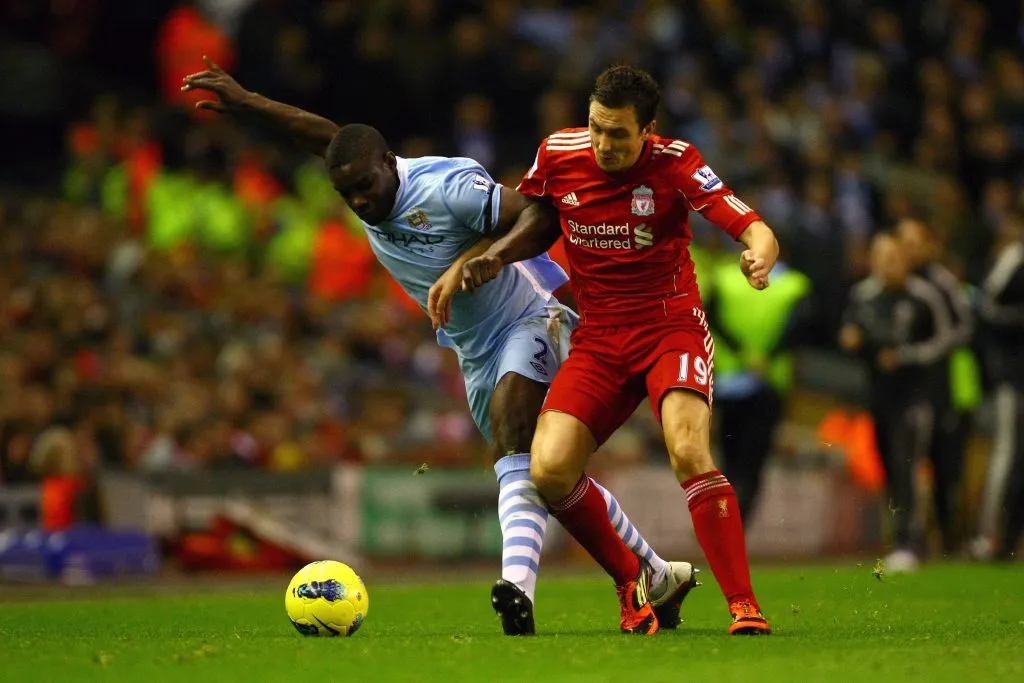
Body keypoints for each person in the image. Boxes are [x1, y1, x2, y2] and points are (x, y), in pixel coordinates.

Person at [181, 59, 697, 636]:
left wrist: (470, 263)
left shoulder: (446, 187)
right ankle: (656, 572)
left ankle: (516, 589)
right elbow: (323, 135)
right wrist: (248, 101)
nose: (357, 202)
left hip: (532, 315)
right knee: (542, 473)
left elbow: (537, 211)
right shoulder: (363, 171)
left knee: (512, 435)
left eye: (365, 187)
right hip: (474, 350)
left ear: (388, 165)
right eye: (345, 192)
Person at [458, 65, 775, 635]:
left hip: (668, 326)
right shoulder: (558, 153)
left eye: (619, 134)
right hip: (599, 339)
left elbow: (748, 222)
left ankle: (744, 606)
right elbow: (538, 216)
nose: (604, 144)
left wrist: (760, 253)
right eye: (596, 128)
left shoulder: (676, 162)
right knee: (549, 470)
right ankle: (635, 580)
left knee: (686, 450)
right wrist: (497, 255)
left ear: (647, 131)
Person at [839, 233, 954, 572]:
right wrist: (851, 341)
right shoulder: (864, 294)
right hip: (878, 395)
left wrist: (905, 357)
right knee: (887, 464)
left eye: (894, 258)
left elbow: (944, 340)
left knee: (907, 464)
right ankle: (897, 539)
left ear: (905, 260)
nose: (887, 265)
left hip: (915, 395)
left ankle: (908, 541)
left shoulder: (923, 296)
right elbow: (849, 329)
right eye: (881, 258)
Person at [705, 251, 813, 525]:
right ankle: (737, 521)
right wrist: (766, 357)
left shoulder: (724, 278)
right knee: (753, 460)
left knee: (730, 458)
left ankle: (728, 521)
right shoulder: (794, 284)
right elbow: (799, 327)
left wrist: (743, 353)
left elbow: (711, 318)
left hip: (732, 383)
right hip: (768, 381)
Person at [896, 218, 975, 554]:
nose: (910, 249)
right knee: (908, 463)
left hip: (948, 387)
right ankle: (914, 538)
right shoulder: (897, 280)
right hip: (909, 388)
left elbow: (963, 328)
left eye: (916, 242)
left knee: (946, 466)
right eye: (905, 242)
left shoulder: (942, 283)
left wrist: (920, 354)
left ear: (930, 245)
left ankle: (948, 538)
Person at [971, 220, 1024, 561]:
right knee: (1008, 452)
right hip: (1014, 375)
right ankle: (989, 535)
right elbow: (985, 305)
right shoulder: (1015, 257)